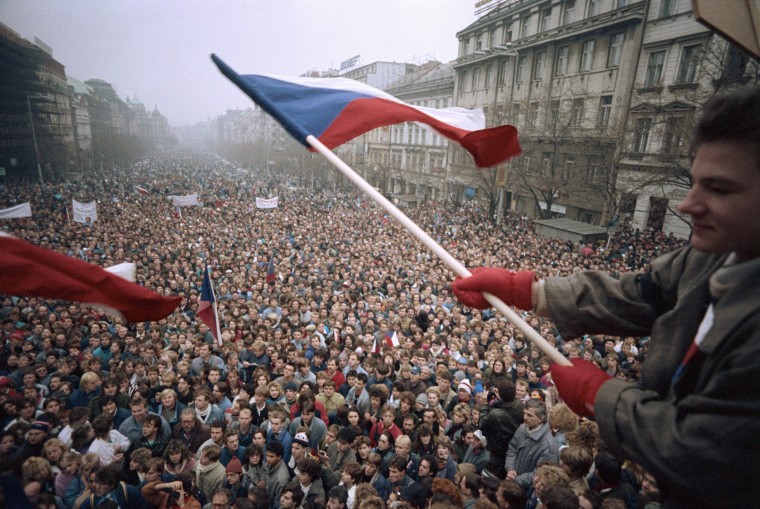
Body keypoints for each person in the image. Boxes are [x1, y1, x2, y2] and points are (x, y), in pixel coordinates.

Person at [452, 86, 760, 508]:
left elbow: (700, 450)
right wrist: (529, 292)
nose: (689, 204)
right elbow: (637, 293)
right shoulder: (713, 255)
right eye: (693, 184)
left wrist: (604, 397)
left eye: (720, 189)